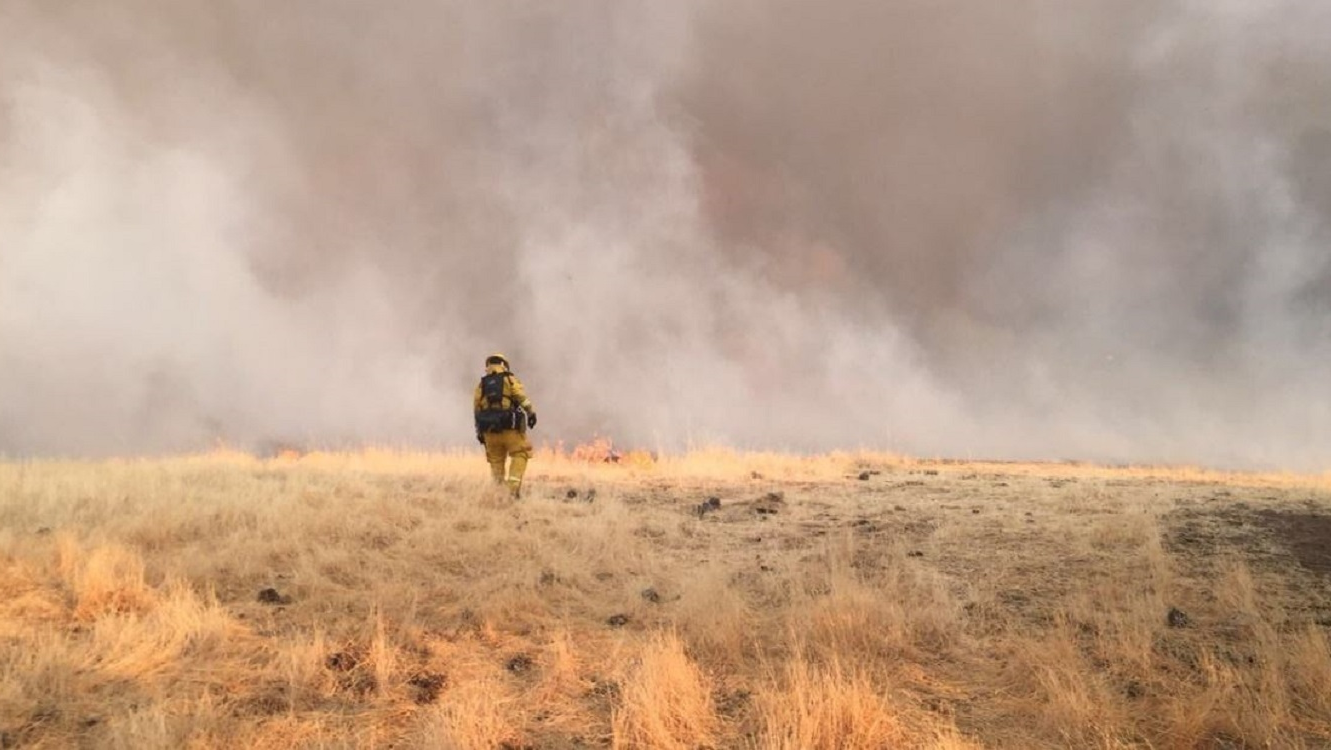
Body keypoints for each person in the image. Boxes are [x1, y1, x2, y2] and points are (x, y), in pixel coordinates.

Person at [473, 353, 537, 497]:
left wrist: (479, 432)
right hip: (509, 428)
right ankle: (512, 490)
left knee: (496, 461)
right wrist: (531, 412)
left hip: (488, 430)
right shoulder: (509, 379)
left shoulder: (481, 384)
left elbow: (476, 410)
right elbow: (521, 397)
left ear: (488, 366)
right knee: (521, 453)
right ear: (504, 364)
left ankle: (498, 493)